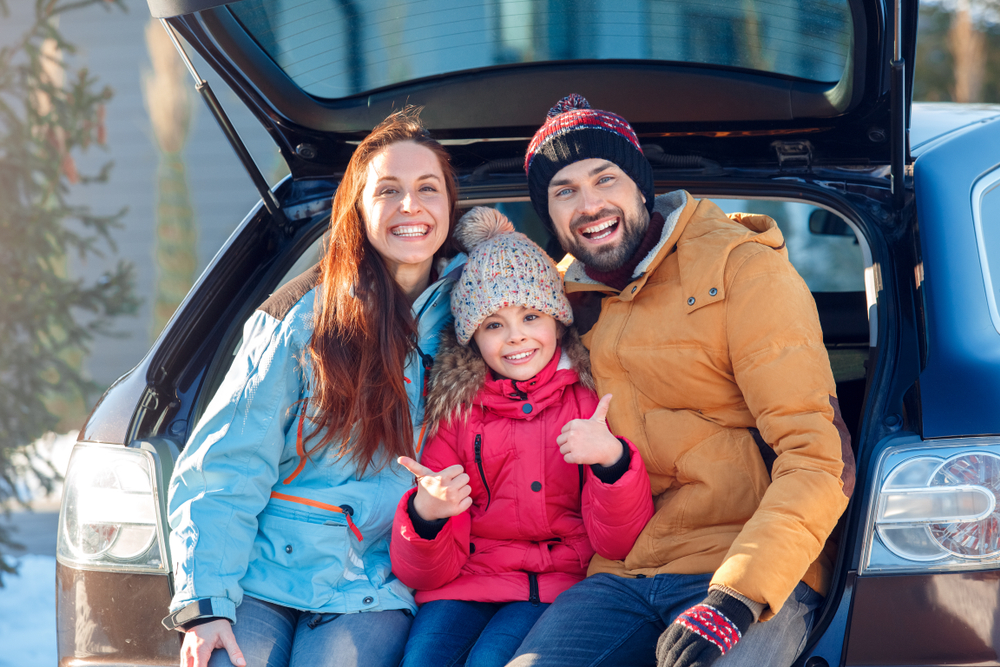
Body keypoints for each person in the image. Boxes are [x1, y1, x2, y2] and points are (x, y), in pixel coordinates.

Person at [505, 94, 856, 667]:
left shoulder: (741, 269)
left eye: (605, 179)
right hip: (624, 570)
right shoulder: (554, 299)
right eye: (564, 191)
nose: (589, 206)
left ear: (640, 186)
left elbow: (817, 456)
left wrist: (737, 597)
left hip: (747, 561)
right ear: (548, 214)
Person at [161, 107, 465, 667]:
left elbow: (544, 305)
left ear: (450, 204)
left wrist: (499, 238)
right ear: (358, 207)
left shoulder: (475, 306)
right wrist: (208, 606)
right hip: (262, 573)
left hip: (371, 581)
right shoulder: (300, 319)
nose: (410, 206)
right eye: (388, 190)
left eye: (428, 188)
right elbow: (226, 465)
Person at [390, 206, 654, 667]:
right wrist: (426, 516)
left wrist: (612, 462)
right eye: (494, 325)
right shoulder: (456, 410)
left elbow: (617, 545)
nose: (515, 338)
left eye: (531, 316)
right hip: (464, 584)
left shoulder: (590, 401)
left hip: (556, 588)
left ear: (558, 319)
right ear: (472, 338)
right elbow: (427, 570)